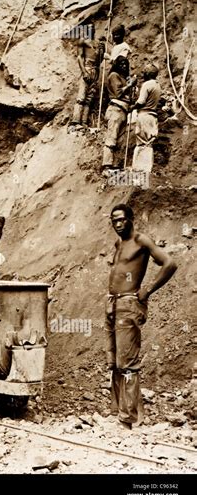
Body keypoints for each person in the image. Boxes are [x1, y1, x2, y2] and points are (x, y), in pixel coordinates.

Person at [106, 204, 177, 429]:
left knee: (127, 362)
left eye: (121, 220)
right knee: (115, 362)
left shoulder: (141, 241)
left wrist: (147, 290)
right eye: (114, 221)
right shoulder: (119, 243)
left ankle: (128, 419)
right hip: (112, 303)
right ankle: (120, 412)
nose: (118, 224)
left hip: (128, 303)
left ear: (131, 219)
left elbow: (170, 264)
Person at [102, 56, 137, 174]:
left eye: (126, 64)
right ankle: (106, 165)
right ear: (116, 65)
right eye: (121, 64)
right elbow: (118, 93)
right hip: (115, 110)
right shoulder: (113, 76)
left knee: (120, 139)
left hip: (123, 111)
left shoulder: (123, 77)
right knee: (112, 137)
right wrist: (130, 85)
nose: (124, 66)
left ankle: (115, 164)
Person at [69, 24, 105, 129]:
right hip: (87, 68)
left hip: (96, 71)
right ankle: (76, 121)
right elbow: (79, 57)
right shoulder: (83, 41)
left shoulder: (98, 43)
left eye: (92, 29)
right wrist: (84, 72)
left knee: (89, 98)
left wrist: (102, 52)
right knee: (81, 96)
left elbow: (99, 61)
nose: (90, 30)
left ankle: (84, 122)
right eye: (88, 29)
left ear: (94, 30)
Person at [130, 64, 162, 173]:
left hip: (144, 115)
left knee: (141, 142)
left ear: (148, 73)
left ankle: (139, 169)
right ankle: (147, 168)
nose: (143, 74)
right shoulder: (157, 85)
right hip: (153, 116)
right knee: (149, 143)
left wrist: (132, 107)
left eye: (144, 72)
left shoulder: (147, 84)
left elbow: (141, 102)